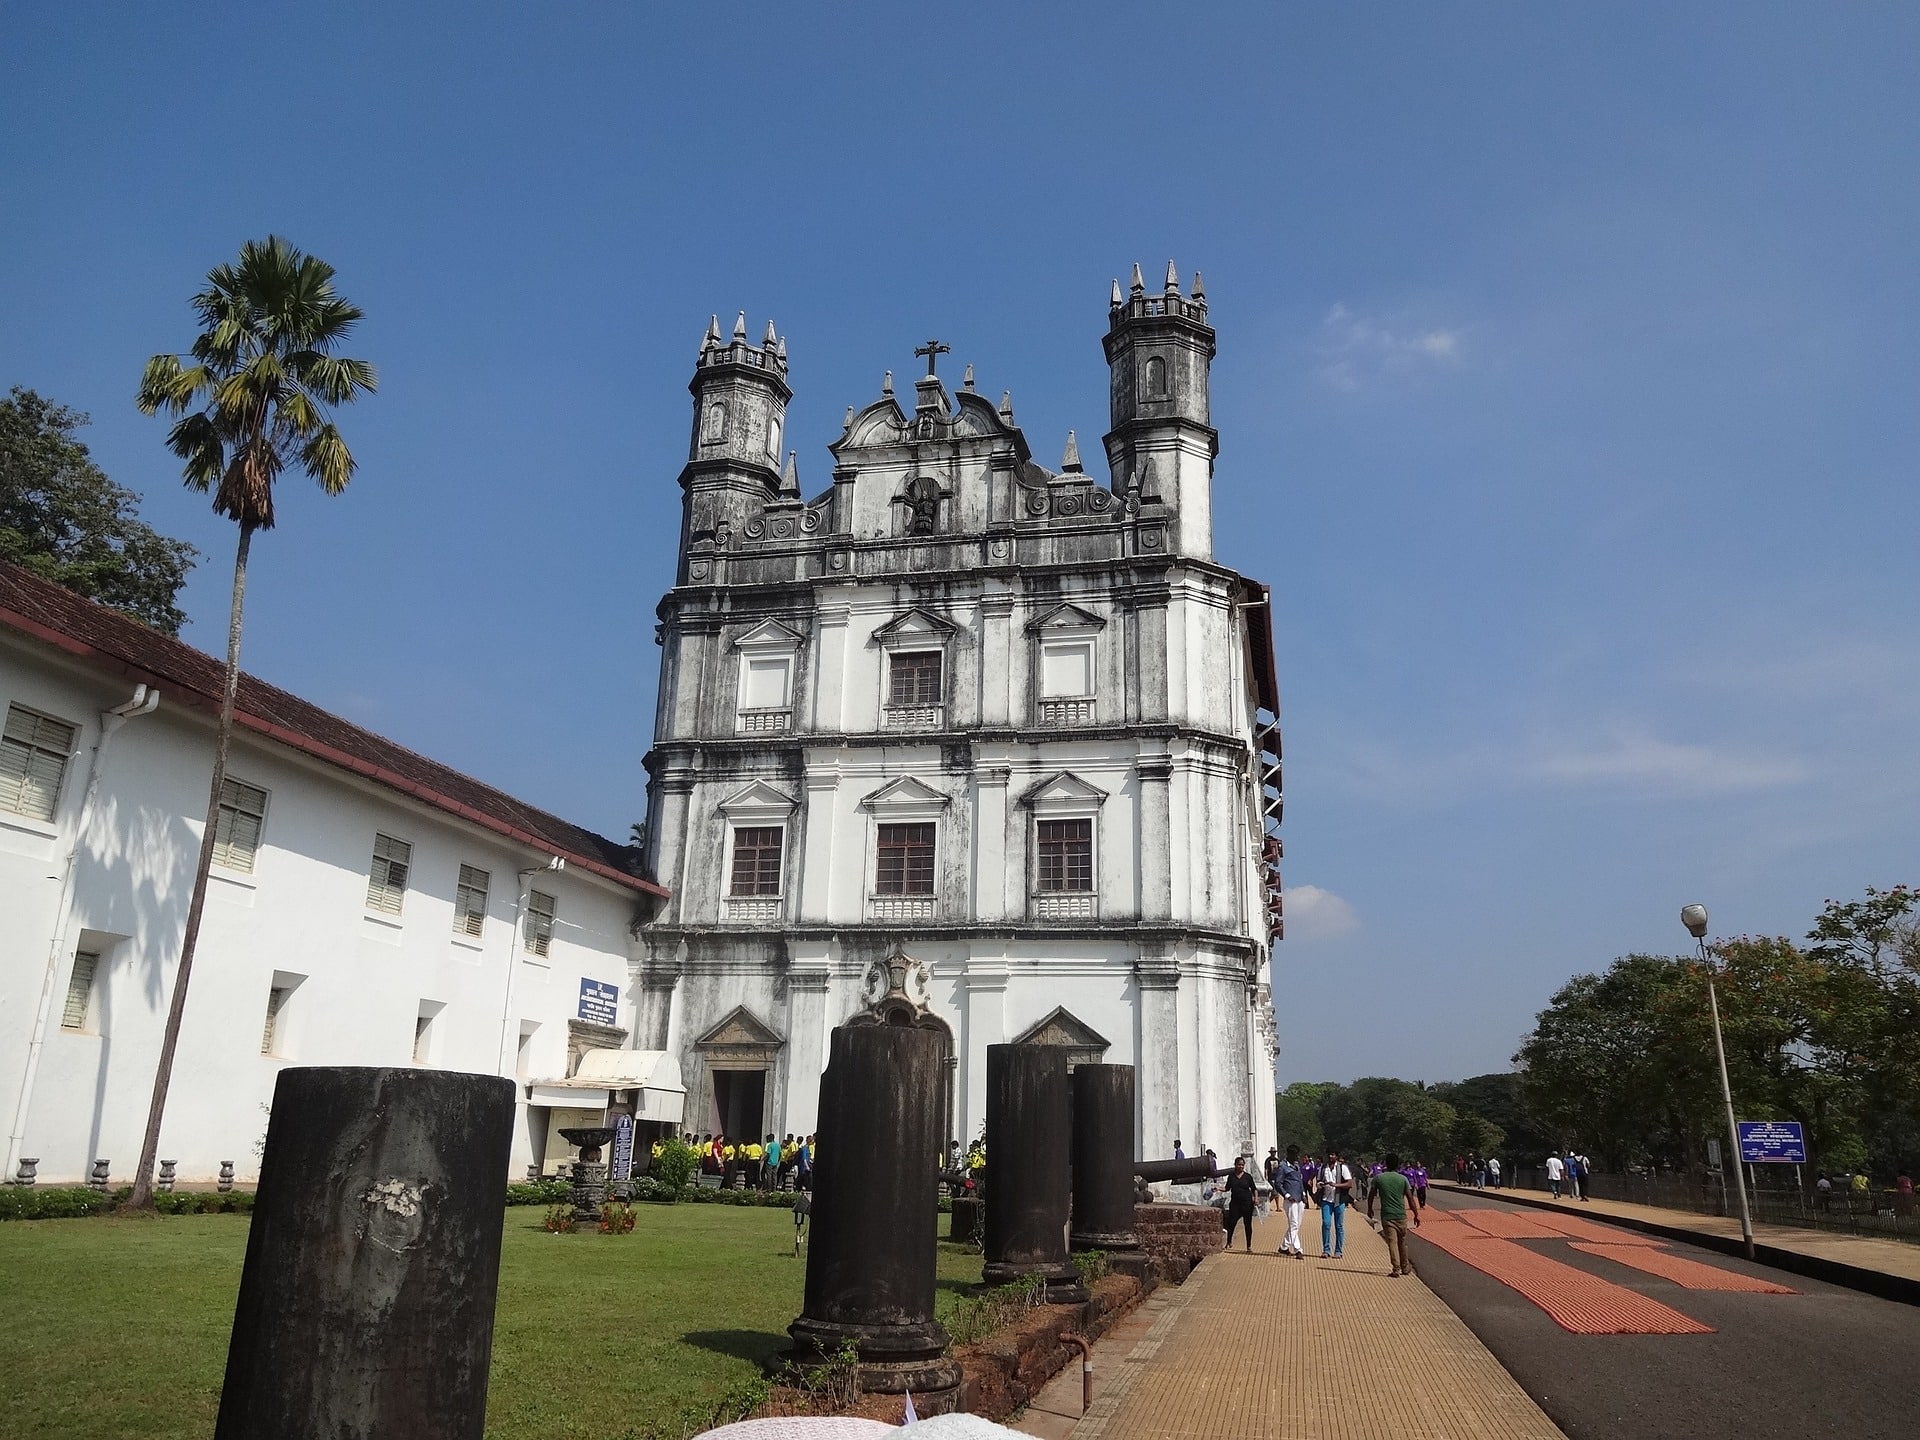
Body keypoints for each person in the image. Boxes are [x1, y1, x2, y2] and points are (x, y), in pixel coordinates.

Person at [1367, 1152, 1423, 1278]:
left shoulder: (1379, 1178)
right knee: (1402, 1242)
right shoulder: (1402, 1179)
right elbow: (1410, 1198)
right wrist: (1416, 1214)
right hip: (1401, 1216)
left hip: (1387, 1216)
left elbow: (1371, 1195)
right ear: (1398, 1165)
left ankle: (1396, 1268)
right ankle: (1405, 1267)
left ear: (1386, 1164)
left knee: (1392, 1242)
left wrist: (1370, 1209)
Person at [1318, 1150, 1354, 1258]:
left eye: (1333, 1154)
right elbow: (1318, 1181)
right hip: (1326, 1200)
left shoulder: (1343, 1168)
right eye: (1329, 1154)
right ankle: (1326, 1250)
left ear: (1337, 1156)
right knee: (1326, 1224)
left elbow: (1349, 1183)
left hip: (1339, 1200)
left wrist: (1336, 1185)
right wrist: (1321, 1184)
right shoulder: (1323, 1168)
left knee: (1339, 1226)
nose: (1330, 1156)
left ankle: (1338, 1251)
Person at [1274, 1144, 1308, 1258]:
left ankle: (1284, 1247)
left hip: (1299, 1199)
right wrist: (1287, 1195)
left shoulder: (1297, 1166)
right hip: (1290, 1200)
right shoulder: (1283, 1167)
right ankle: (1298, 1249)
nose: (1297, 1157)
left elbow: (1300, 1182)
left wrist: (1303, 1194)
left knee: (1297, 1225)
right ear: (1289, 1154)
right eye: (1295, 1155)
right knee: (1293, 1224)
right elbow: (1278, 1184)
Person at [1221, 1155, 1258, 1252]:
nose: (1240, 1167)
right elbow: (1227, 1188)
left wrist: (1256, 1199)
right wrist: (1218, 1189)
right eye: (1239, 1165)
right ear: (1235, 1165)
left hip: (1247, 1203)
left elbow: (1254, 1189)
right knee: (1231, 1223)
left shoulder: (1248, 1177)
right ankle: (1229, 1241)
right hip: (1235, 1203)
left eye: (1242, 1165)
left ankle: (1249, 1246)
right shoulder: (1231, 1177)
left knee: (1247, 1225)